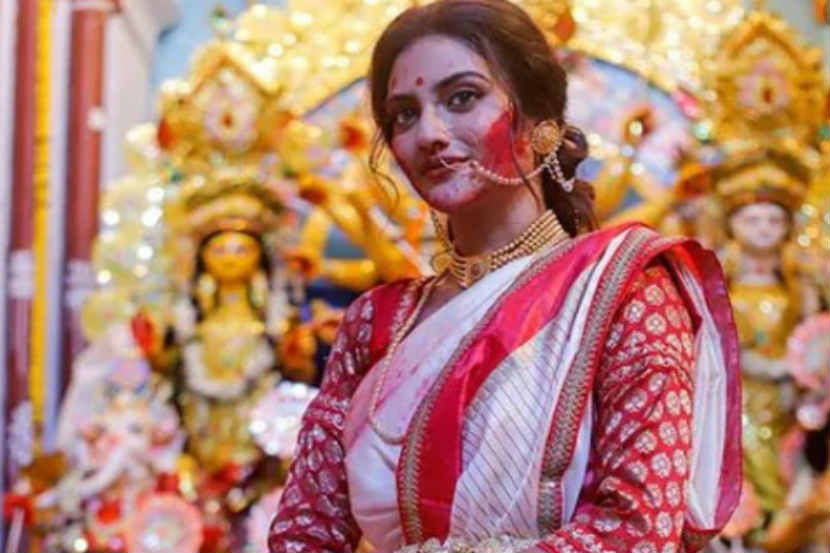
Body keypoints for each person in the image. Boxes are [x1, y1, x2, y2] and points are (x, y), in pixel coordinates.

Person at [268, 1, 741, 552]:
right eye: (404, 115)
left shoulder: (625, 291)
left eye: (462, 97)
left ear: (541, 125)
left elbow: (637, 532)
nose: (429, 133)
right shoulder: (376, 324)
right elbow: (305, 532)